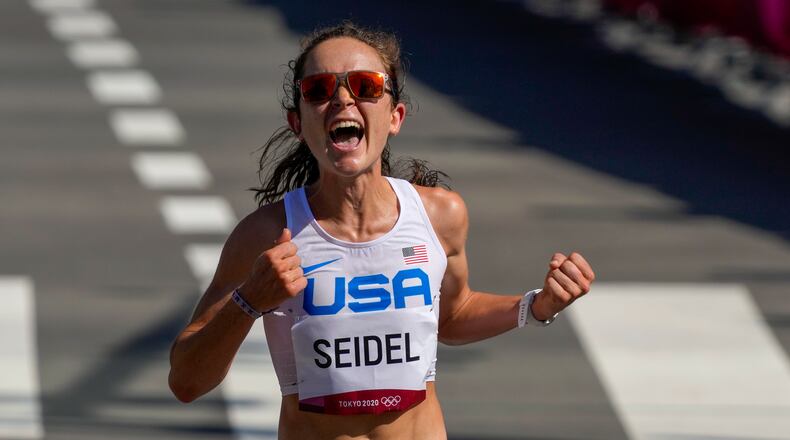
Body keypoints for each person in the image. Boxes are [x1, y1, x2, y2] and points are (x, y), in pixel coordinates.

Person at [168, 21, 595, 440]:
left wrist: (537, 306)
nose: (341, 100)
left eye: (366, 86)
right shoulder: (266, 234)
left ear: (395, 116)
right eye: (318, 90)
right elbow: (186, 382)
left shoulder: (439, 216)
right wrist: (249, 301)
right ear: (298, 123)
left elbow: (451, 315)